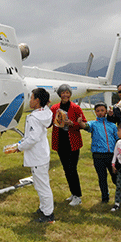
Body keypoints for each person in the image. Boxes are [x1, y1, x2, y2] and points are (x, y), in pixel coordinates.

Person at [7, 88, 55, 223]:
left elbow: (32, 138)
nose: (30, 100)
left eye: (32, 97)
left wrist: (19, 147)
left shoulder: (34, 117)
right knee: (40, 184)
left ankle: (48, 215)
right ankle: (44, 208)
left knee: (42, 186)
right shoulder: (45, 113)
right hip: (42, 154)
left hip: (37, 156)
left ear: (37, 100)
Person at [50, 84, 86, 206]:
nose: (65, 95)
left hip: (73, 143)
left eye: (67, 93)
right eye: (63, 93)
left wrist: (72, 124)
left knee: (72, 169)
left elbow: (84, 124)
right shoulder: (54, 108)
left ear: (70, 94)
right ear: (59, 94)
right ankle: (73, 193)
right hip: (60, 142)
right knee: (66, 169)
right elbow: (49, 122)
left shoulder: (76, 108)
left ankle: (78, 196)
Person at [78, 102, 119, 203]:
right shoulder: (93, 124)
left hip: (111, 155)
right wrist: (80, 123)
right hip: (98, 155)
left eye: (102, 110)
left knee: (115, 177)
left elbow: (118, 139)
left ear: (106, 111)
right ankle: (105, 197)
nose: (100, 113)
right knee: (102, 177)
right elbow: (86, 126)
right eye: (98, 111)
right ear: (95, 112)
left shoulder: (112, 125)